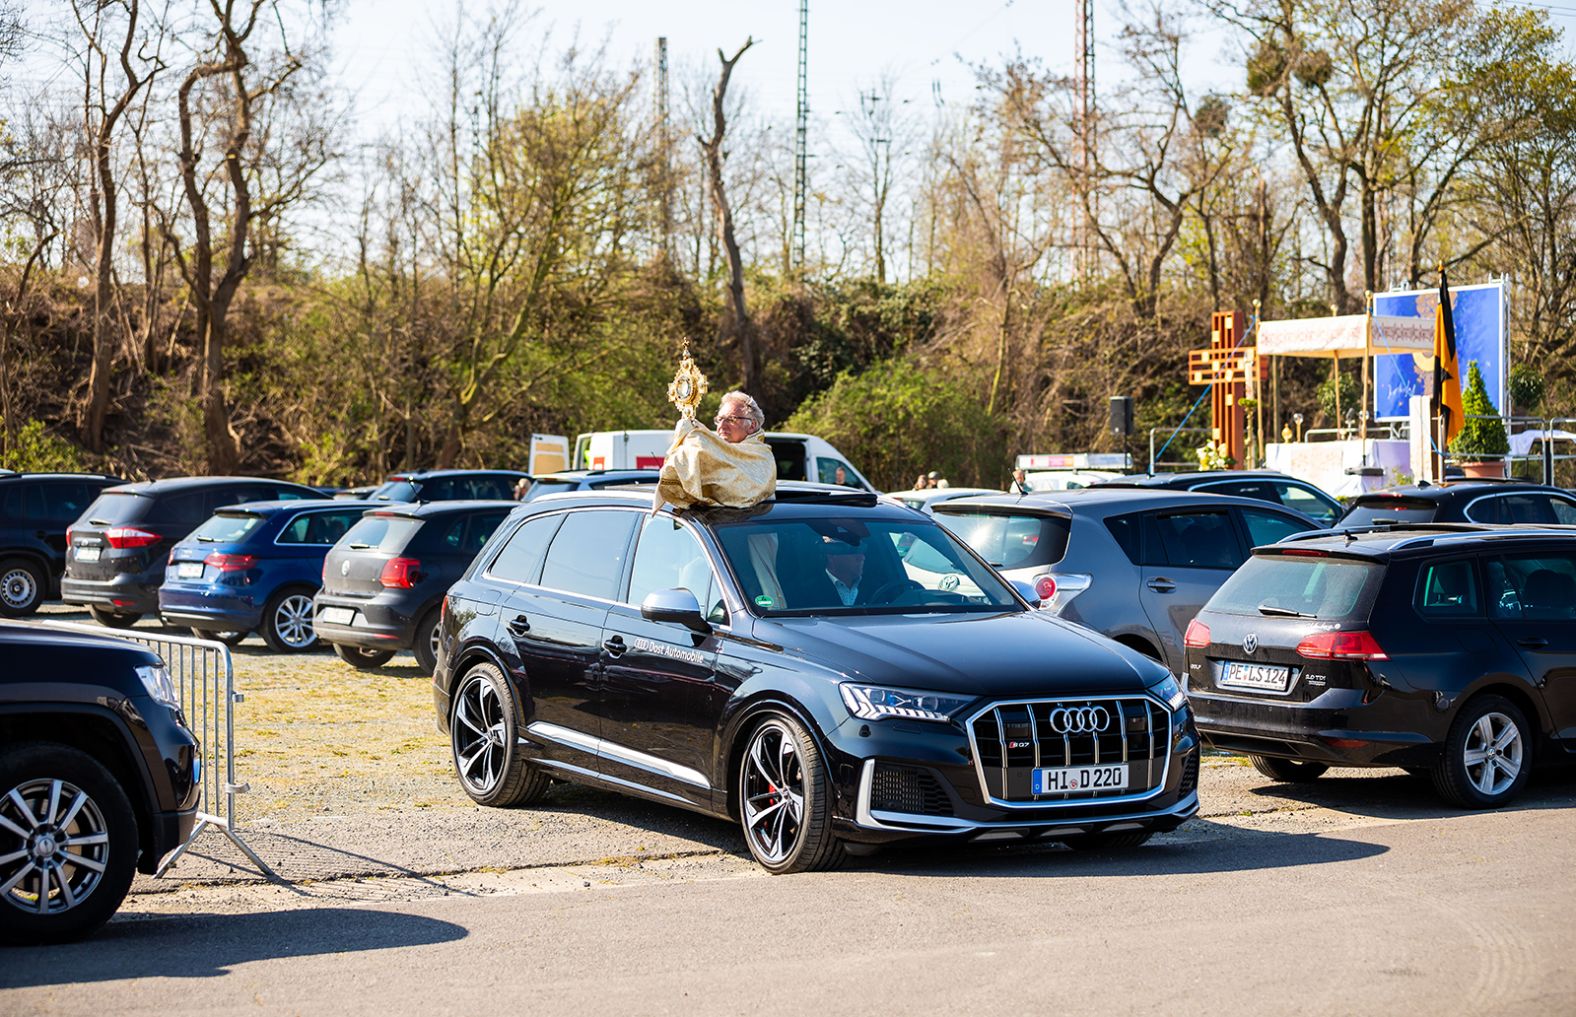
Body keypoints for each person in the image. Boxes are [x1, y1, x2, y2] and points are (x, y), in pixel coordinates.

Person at [823, 538, 865, 606]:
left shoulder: (878, 589)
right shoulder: (808, 592)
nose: (861, 557)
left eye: (861, 549)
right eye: (852, 551)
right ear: (831, 556)